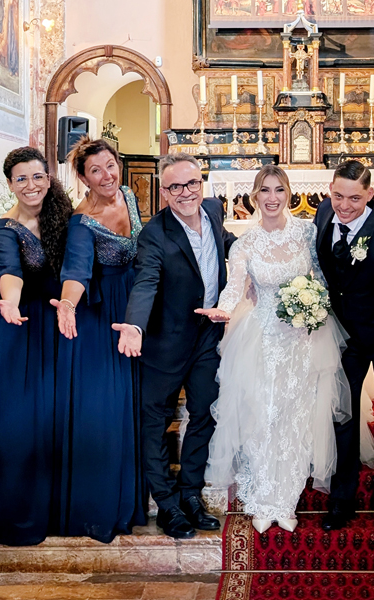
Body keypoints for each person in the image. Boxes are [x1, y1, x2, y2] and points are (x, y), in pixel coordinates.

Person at [204, 165, 351, 534]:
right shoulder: (245, 243)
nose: (272, 198)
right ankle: (262, 498)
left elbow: (320, 278)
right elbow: (235, 286)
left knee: (296, 417)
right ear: (254, 196)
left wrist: (316, 306)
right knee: (262, 414)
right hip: (262, 336)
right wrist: (223, 308)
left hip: (303, 338)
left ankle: (285, 501)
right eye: (265, 191)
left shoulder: (306, 232)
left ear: (289, 194)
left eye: (279, 190)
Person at [114, 153, 237, 539]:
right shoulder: (154, 233)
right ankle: (167, 506)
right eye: (175, 187)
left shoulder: (214, 210)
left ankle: (190, 495)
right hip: (165, 341)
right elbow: (146, 281)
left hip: (207, 336)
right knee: (155, 421)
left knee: (204, 413)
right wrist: (134, 325)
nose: (186, 193)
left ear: (202, 184)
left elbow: (230, 244)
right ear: (163, 192)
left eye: (192, 184)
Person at [0, 147, 72, 546]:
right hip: (17, 331)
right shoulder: (5, 228)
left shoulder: (62, 217)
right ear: (11, 185)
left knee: (50, 420)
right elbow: (9, 272)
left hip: (53, 327)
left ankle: (51, 510)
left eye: (38, 177)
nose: (31, 185)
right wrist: (9, 301)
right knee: (17, 424)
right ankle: (13, 515)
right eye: (22, 179)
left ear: (49, 178)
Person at [51, 138, 146, 543]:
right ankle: (104, 504)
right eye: (96, 170)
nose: (107, 176)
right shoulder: (81, 220)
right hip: (102, 315)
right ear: (82, 177)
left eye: (111, 165)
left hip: (137, 309)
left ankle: (134, 493)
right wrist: (68, 304)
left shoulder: (129, 194)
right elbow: (75, 270)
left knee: (136, 401)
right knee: (109, 404)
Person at [312, 160, 374, 532]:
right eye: (338, 195)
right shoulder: (324, 213)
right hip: (345, 336)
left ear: (370, 194)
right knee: (343, 416)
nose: (345, 205)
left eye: (355, 198)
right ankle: (342, 499)